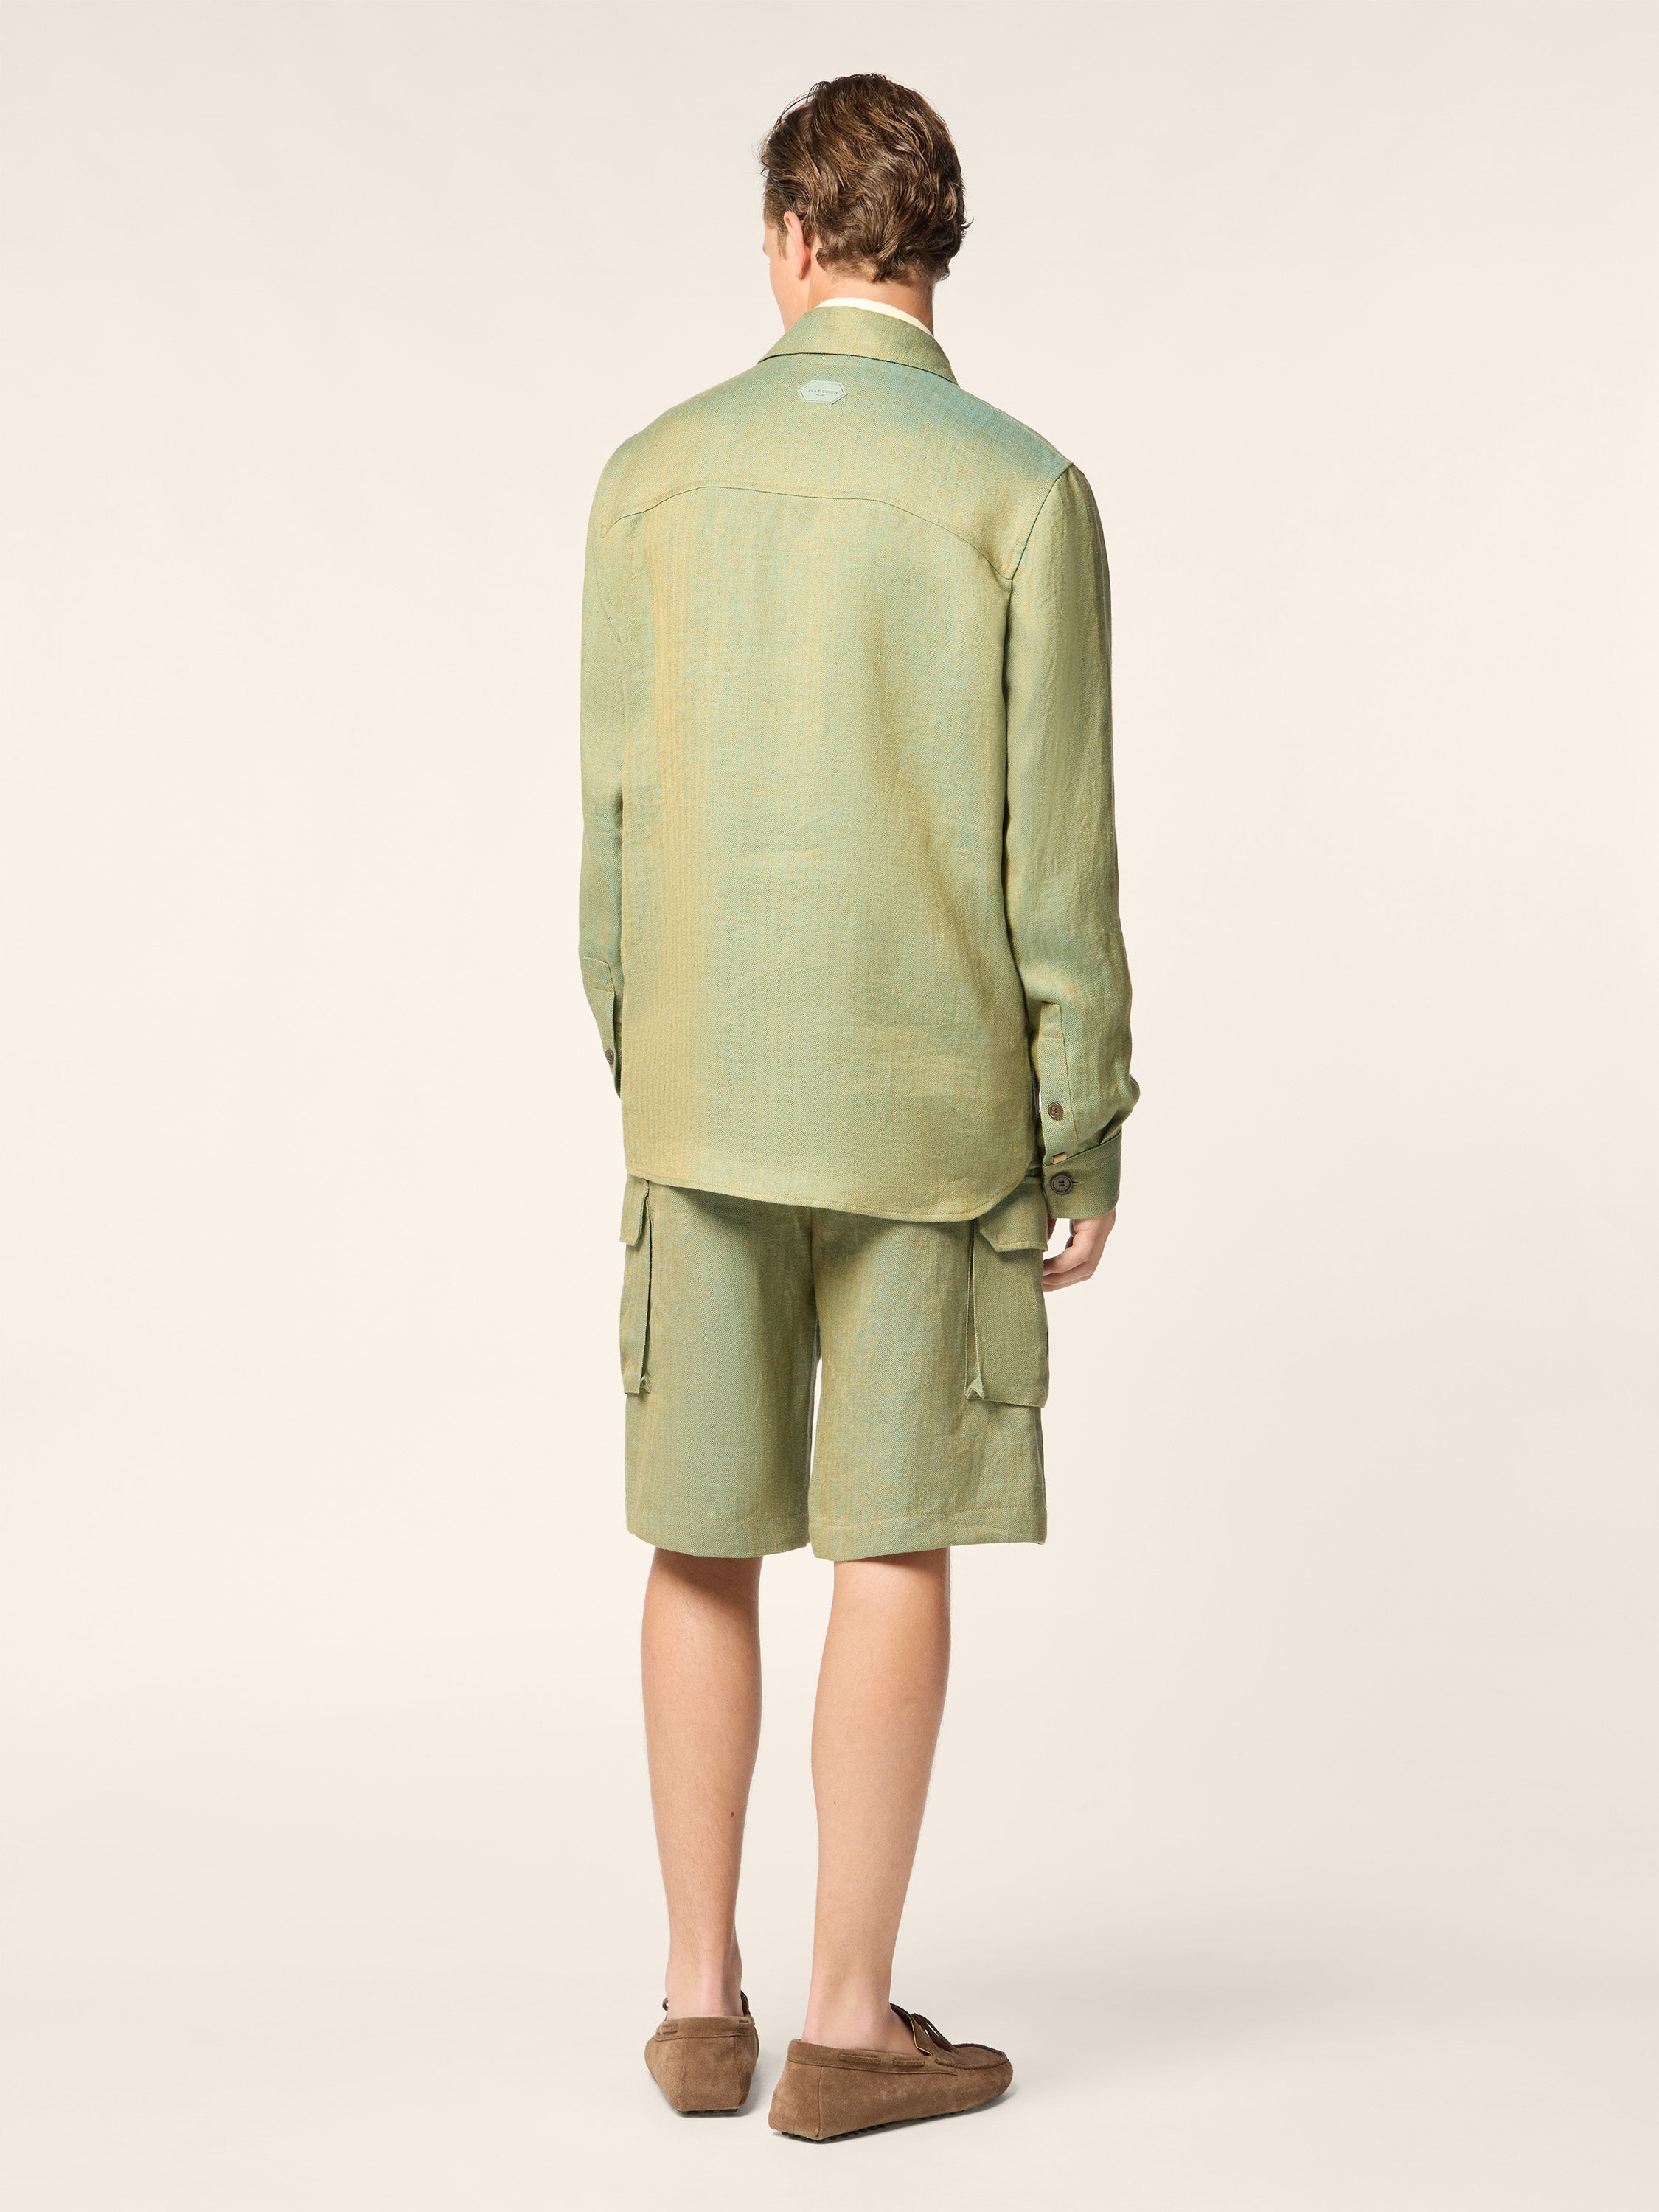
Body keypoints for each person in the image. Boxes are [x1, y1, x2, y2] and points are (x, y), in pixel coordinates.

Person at [578, 72, 1136, 2141]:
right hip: (927, 1109)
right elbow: (1053, 855)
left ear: (791, 242)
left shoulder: (651, 479)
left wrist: (651, 1055)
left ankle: (695, 2004)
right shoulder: (1022, 493)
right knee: (892, 1534)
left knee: (701, 1529)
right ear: (931, 248)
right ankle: (841, 2025)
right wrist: (1081, 1120)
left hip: (706, 1089)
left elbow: (610, 835)